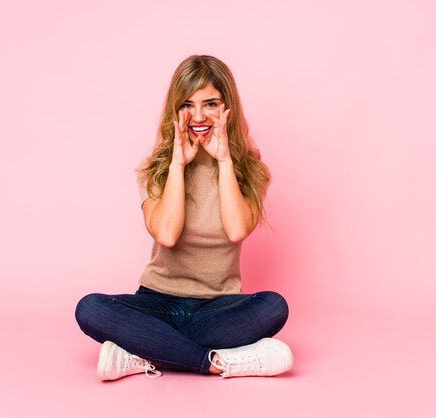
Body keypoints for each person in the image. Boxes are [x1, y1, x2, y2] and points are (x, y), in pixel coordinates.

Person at [75, 55, 293, 381]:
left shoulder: (250, 171)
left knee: (274, 306)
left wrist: (223, 161)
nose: (199, 115)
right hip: (157, 303)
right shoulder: (155, 170)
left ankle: (142, 351)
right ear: (175, 110)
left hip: (218, 306)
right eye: (188, 105)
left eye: (211, 104)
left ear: (227, 107)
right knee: (90, 308)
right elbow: (166, 234)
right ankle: (218, 362)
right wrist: (178, 164)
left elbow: (236, 229)